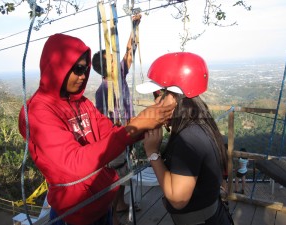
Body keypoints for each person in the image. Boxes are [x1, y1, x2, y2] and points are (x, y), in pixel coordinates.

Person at [18, 33, 176, 225]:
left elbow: (109, 132)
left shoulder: (82, 103)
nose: (83, 75)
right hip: (75, 214)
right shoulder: (37, 112)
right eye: (77, 69)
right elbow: (73, 164)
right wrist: (138, 125)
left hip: (100, 202)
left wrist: (154, 120)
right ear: (57, 68)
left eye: (85, 69)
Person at [136, 52, 233, 225]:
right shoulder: (200, 122)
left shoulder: (188, 138)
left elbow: (178, 199)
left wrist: (152, 152)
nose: (155, 102)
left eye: (157, 94)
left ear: (174, 96)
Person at [92, 14, 141, 225]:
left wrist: (135, 27)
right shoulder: (103, 91)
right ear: (106, 68)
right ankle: (112, 215)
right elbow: (104, 121)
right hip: (114, 138)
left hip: (125, 134)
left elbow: (130, 54)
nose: (116, 59)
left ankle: (120, 203)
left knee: (123, 172)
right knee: (114, 176)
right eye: (111, 59)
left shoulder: (118, 76)